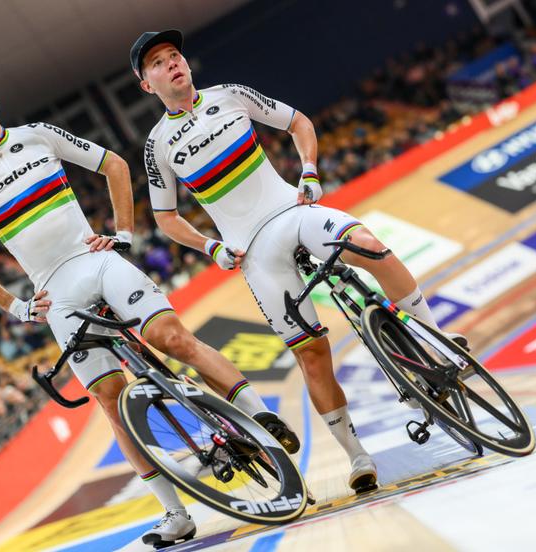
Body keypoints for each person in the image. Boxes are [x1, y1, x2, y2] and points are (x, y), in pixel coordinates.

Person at [0, 70, 298, 547]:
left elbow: (115, 166)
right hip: (55, 292)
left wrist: (124, 233)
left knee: (173, 339)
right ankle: (175, 514)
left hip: (97, 260)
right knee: (110, 401)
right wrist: (16, 307)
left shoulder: (38, 135)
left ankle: (263, 425)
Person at [132, 30, 468, 497]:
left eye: (175, 55)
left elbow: (299, 123)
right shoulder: (156, 145)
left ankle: (437, 348)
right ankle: (356, 455)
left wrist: (309, 170)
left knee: (370, 245)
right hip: (252, 251)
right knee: (311, 355)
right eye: (158, 63)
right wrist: (210, 247)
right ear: (147, 85)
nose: (172, 63)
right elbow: (164, 218)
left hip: (294, 212)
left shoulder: (230, 94)